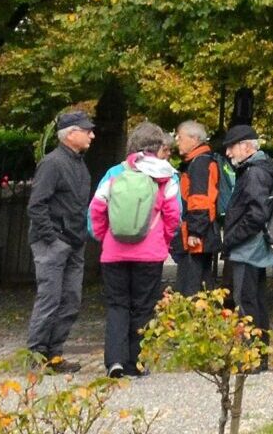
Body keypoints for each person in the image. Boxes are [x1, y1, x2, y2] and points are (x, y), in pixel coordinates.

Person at [91, 122, 185, 378]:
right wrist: (163, 241)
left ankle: (114, 361)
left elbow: (96, 209)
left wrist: (103, 236)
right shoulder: (166, 176)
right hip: (150, 254)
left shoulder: (114, 173)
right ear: (158, 148)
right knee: (143, 306)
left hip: (113, 253)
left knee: (117, 305)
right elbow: (174, 215)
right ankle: (136, 362)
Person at [24, 109, 97, 370]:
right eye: (87, 130)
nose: (92, 135)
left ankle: (53, 354)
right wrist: (52, 239)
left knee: (70, 301)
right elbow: (37, 205)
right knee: (50, 299)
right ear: (71, 133)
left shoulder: (77, 162)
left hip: (73, 242)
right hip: (54, 242)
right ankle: (37, 356)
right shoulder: (52, 163)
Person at [217, 125, 273, 359]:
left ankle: (253, 357)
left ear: (246, 146)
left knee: (246, 302)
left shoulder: (254, 172)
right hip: (252, 247)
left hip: (247, 248)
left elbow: (256, 215)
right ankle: (259, 355)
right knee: (254, 301)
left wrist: (231, 239)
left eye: (231, 147)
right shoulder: (258, 169)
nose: (228, 153)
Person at [172, 122, 226, 296]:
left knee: (192, 287)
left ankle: (195, 321)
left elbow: (200, 200)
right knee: (202, 285)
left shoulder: (200, 163)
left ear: (194, 139)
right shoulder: (201, 161)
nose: (176, 141)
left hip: (197, 236)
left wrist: (195, 232)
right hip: (201, 232)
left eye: (180, 137)